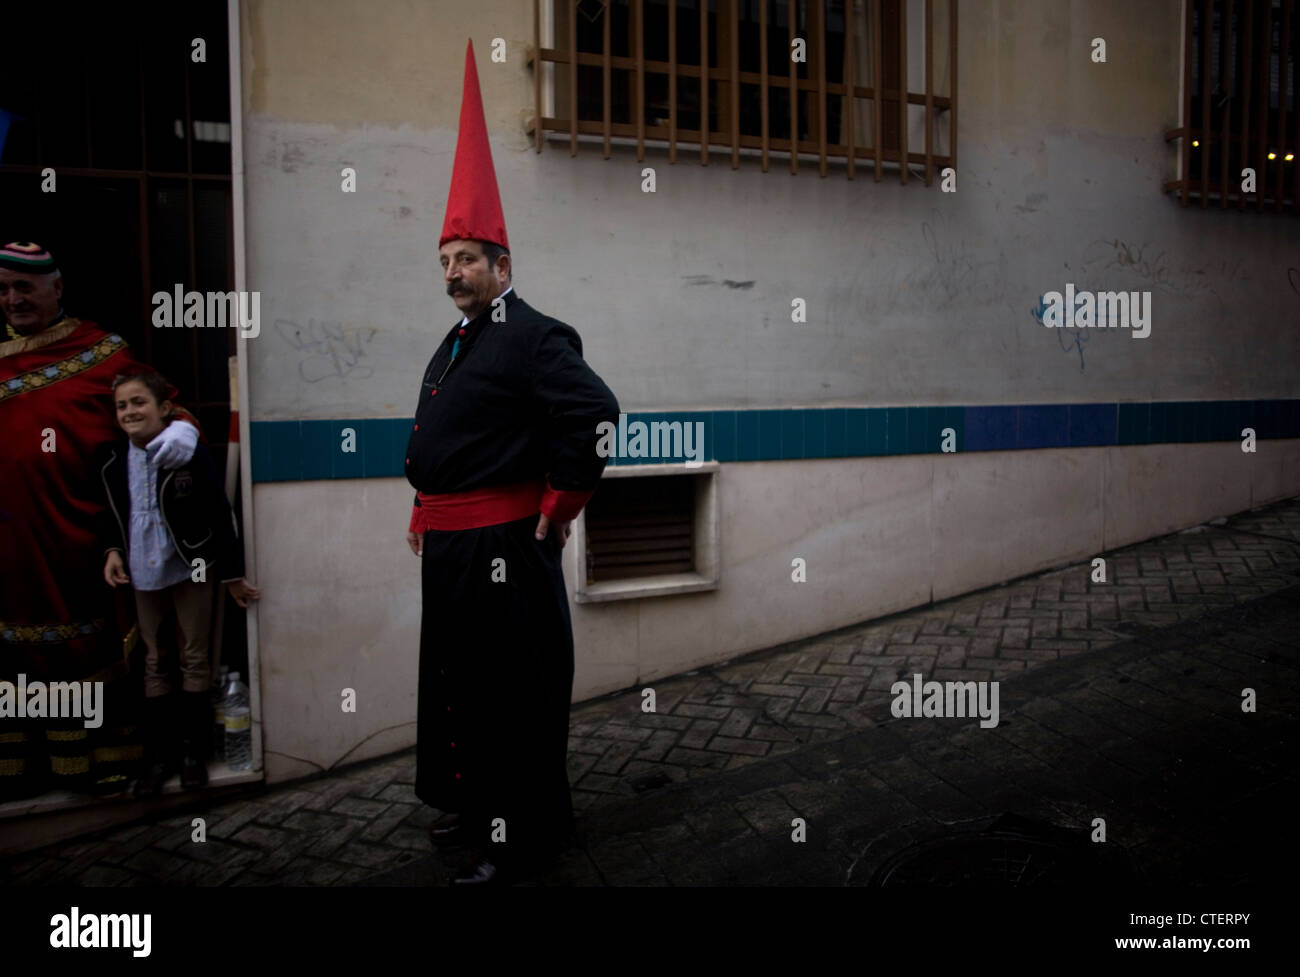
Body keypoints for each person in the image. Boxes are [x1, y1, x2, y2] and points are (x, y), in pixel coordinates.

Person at [405, 40, 620, 885]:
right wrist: (424, 508)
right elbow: (450, 442)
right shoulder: (460, 341)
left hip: (502, 550)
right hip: (454, 547)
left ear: (503, 264)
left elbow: (594, 412)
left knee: (507, 695)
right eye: (447, 260)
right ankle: (471, 805)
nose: (455, 272)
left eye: (469, 259)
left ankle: (513, 837)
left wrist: (563, 501)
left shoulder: (533, 334)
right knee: (458, 683)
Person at [0, 241, 203, 799]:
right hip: (11, 543)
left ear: (56, 289)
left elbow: (169, 409)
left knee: (91, 651)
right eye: (3, 289)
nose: (13, 299)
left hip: (81, 539)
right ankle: (25, 768)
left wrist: (181, 431)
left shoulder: (103, 356)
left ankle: (102, 763)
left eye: (24, 287)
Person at [98, 370, 260, 796]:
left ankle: (193, 754)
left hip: (193, 566)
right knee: (155, 661)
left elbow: (218, 513)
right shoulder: (111, 461)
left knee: (194, 656)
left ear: (165, 409)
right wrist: (112, 551)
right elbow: (109, 516)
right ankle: (158, 757)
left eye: (139, 403)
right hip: (141, 570)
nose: (131, 411)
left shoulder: (187, 452)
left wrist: (231, 575)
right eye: (122, 405)